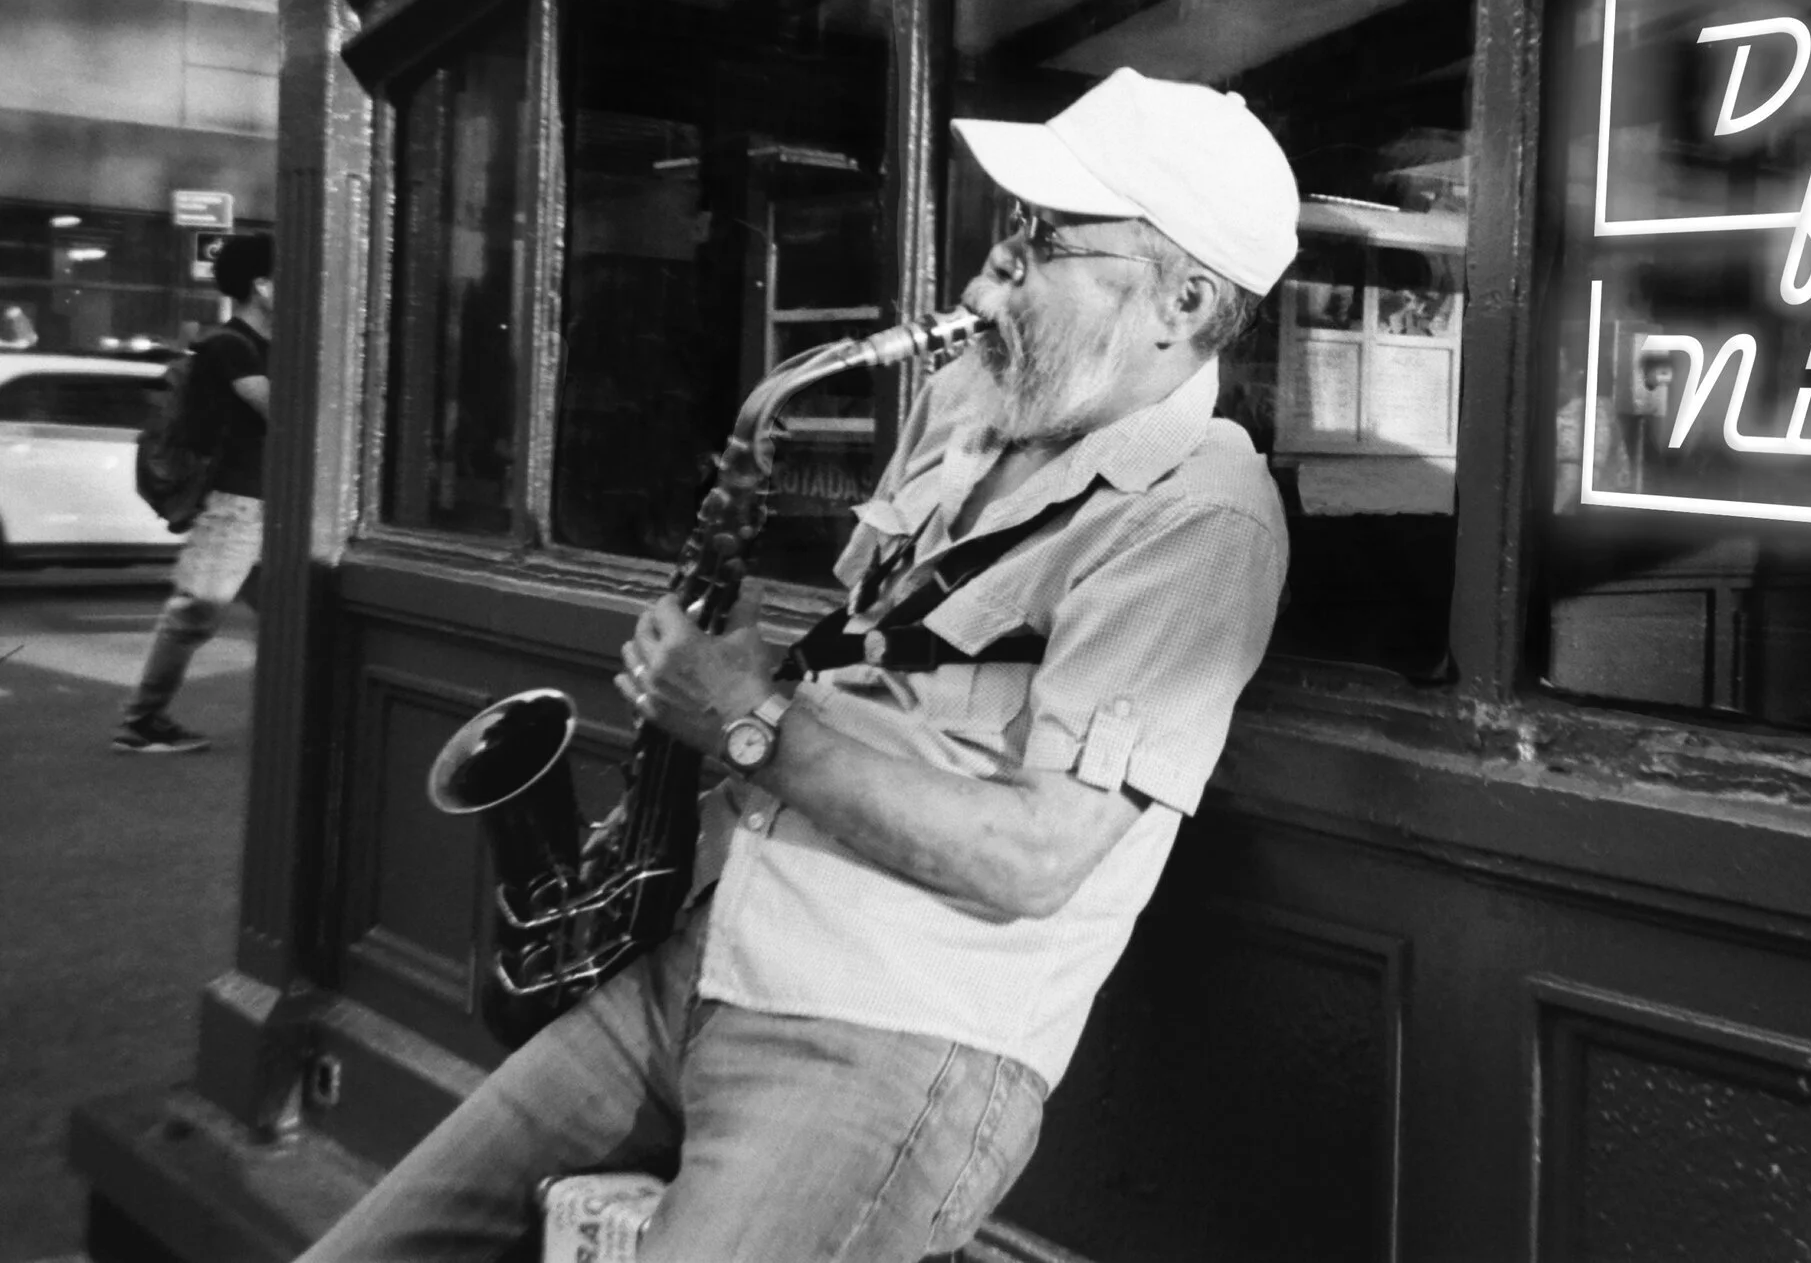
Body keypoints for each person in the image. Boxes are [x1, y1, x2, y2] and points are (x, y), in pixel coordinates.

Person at [301, 68, 1299, 1262]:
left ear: (1181, 301)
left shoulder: (1200, 518)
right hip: (704, 956)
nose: (986, 282)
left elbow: (1034, 858)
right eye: (1004, 239)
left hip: (884, 1040)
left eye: (1037, 246)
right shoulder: (967, 400)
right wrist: (740, 678)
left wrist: (744, 717)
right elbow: (880, 659)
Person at [115, 231, 273, 754]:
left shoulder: (267, 346)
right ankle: (141, 722)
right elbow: (281, 410)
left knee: (292, 619)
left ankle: (296, 721)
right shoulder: (231, 346)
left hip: (270, 506)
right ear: (263, 287)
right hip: (235, 506)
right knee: (194, 612)